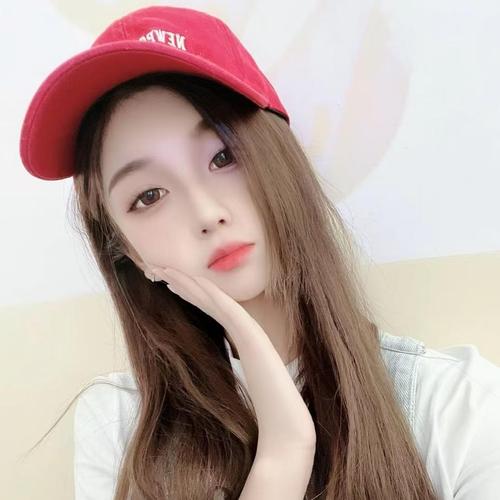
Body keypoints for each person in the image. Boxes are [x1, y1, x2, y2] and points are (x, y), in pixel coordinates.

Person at [19, 5, 500, 500]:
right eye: (149, 196)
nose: (207, 213)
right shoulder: (120, 426)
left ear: (281, 159)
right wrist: (283, 455)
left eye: (223, 156)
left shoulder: (457, 410)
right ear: (128, 251)